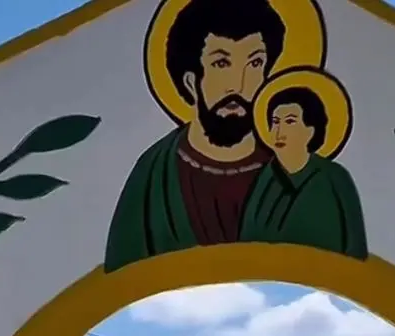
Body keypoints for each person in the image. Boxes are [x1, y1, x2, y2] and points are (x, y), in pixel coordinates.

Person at [104, 0, 287, 272]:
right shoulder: (154, 175)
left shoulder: (290, 171)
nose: (239, 84)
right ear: (191, 81)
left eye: (255, 63)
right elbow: (121, 278)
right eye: (221, 63)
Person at [241, 84, 368, 259]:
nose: (279, 132)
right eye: (275, 122)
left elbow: (355, 249)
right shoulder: (265, 178)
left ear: (311, 130)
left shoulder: (334, 178)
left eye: (290, 122)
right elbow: (246, 243)